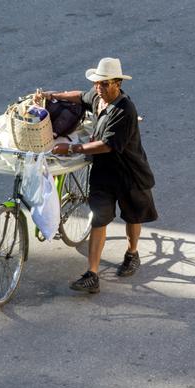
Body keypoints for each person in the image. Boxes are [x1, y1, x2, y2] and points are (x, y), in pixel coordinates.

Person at [38, 57, 157, 294]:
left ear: (117, 84)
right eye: (97, 84)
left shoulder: (124, 110)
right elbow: (79, 96)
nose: (98, 89)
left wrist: (72, 148)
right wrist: (55, 95)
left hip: (128, 173)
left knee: (133, 216)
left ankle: (132, 253)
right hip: (103, 173)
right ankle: (92, 274)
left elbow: (107, 145)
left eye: (104, 85)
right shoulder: (97, 97)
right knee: (99, 219)